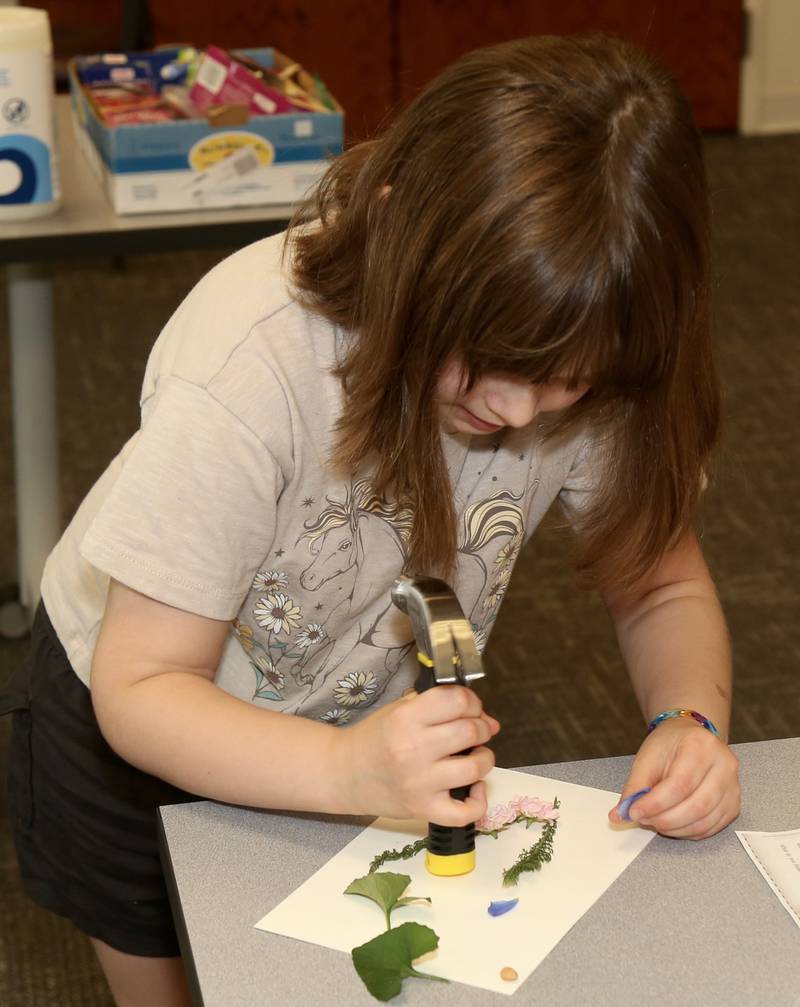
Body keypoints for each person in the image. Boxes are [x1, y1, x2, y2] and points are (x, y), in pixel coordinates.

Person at [2, 32, 740, 1007]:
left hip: (359, 738)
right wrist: (344, 767)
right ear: (398, 236)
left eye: (564, 382)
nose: (518, 413)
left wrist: (687, 718)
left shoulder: (589, 343)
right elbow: (139, 685)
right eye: (486, 360)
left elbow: (659, 580)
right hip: (139, 729)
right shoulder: (253, 360)